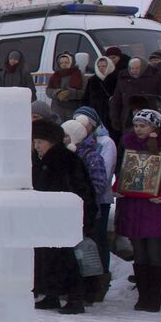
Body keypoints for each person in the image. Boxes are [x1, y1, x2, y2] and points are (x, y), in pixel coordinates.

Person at [114, 109, 161, 312]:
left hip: (157, 206)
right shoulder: (131, 147)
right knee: (140, 252)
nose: (138, 130)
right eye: (136, 126)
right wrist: (117, 188)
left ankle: (154, 298)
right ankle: (143, 296)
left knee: (155, 251)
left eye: (143, 126)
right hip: (135, 205)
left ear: (154, 127)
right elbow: (126, 173)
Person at [31, 119, 94, 314]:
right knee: (49, 257)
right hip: (48, 218)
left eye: (40, 142)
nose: (36, 146)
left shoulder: (66, 160)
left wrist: (82, 217)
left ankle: (75, 298)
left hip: (67, 219)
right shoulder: (40, 161)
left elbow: (82, 190)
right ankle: (52, 295)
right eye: (35, 142)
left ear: (51, 141)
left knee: (68, 259)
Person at [63, 118, 110, 303]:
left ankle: (92, 289)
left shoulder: (91, 156)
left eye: (66, 135)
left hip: (88, 212)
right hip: (71, 212)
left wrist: (80, 197)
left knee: (87, 252)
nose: (64, 139)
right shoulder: (67, 155)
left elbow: (99, 184)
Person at [72, 106, 118, 288]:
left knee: (98, 239)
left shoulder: (105, 143)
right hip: (81, 200)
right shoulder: (74, 142)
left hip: (100, 199)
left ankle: (100, 280)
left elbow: (104, 174)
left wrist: (89, 193)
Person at [109, 56, 161, 133]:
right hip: (127, 118)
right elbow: (116, 100)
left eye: (137, 68)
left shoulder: (156, 76)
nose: (134, 71)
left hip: (150, 118)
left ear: (143, 67)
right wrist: (115, 118)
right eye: (132, 68)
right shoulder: (123, 78)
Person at [45, 51, 85, 121]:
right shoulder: (55, 76)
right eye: (61, 63)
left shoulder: (79, 75)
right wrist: (57, 93)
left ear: (71, 62)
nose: (63, 65)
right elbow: (48, 91)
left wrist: (70, 93)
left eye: (66, 62)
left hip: (72, 110)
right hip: (57, 109)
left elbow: (84, 93)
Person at [82, 56, 117, 132]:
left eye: (104, 66)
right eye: (99, 66)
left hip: (111, 113)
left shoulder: (115, 79)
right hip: (96, 113)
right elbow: (86, 97)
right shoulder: (92, 80)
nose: (101, 68)